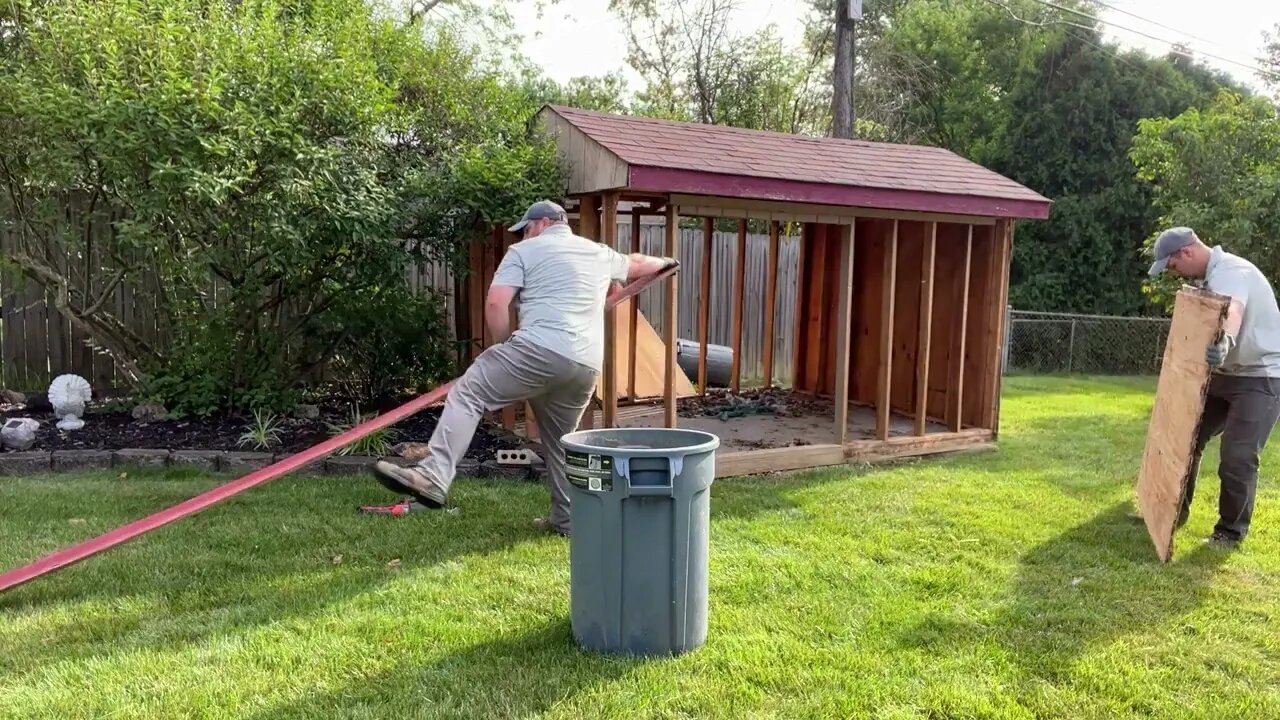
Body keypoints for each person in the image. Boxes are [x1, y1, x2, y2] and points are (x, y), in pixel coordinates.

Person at [371, 200, 677, 536]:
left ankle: (433, 476)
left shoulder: (524, 252)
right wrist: (666, 262)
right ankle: (568, 521)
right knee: (562, 443)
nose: (522, 236)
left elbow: (496, 302)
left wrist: (503, 345)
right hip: (584, 366)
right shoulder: (598, 253)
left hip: (538, 349)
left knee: (468, 393)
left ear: (543, 223)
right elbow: (637, 264)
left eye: (525, 229)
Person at [1147, 226, 1280, 547]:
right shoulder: (1209, 277)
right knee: (1184, 437)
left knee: (1238, 454)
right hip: (1224, 373)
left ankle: (1230, 531)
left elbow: (1233, 308)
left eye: (1174, 266)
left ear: (1187, 253)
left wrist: (1226, 339)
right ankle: (1170, 513)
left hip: (1261, 376)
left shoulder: (1232, 273)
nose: (1175, 274)